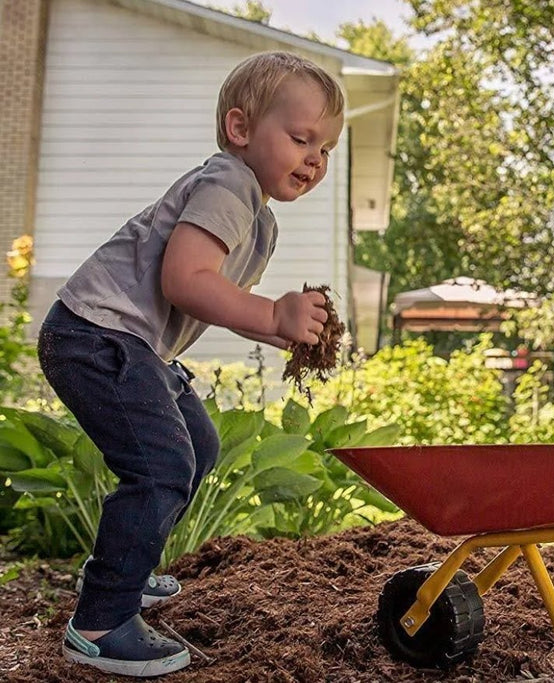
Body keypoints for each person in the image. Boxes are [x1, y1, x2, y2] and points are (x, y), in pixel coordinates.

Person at [37, 51, 345, 677]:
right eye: (301, 138)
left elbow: (209, 290)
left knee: (198, 444)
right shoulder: (227, 182)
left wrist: (285, 325)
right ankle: (98, 624)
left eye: (327, 149)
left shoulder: (256, 213)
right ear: (240, 130)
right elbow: (185, 280)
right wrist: (271, 316)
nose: (316, 159)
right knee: (161, 465)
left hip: (129, 341)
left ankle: (128, 566)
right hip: (96, 334)